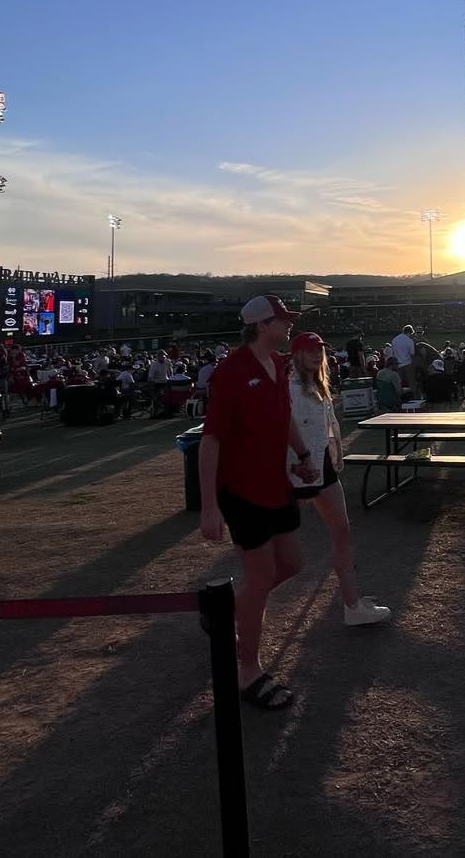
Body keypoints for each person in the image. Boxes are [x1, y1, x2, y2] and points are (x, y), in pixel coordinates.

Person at [199, 295, 316, 711]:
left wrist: (302, 457)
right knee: (262, 577)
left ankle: (229, 612)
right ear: (263, 326)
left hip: (277, 484)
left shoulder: (279, 367)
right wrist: (209, 506)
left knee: (292, 565)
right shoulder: (231, 372)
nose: (288, 328)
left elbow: (283, 419)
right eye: (283, 322)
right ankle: (248, 670)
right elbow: (210, 440)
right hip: (242, 492)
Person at [288, 332, 390, 625]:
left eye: (318, 350)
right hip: (298, 468)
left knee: (342, 532)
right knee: (281, 556)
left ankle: (352, 604)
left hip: (322, 465)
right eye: (308, 351)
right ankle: (243, 610)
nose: (315, 355)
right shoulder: (290, 388)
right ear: (296, 354)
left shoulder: (318, 384)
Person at [391, 324, 416, 393]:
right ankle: (414, 398)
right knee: (412, 384)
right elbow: (412, 354)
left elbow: (392, 353)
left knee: (398, 384)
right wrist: (414, 365)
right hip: (408, 364)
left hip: (397, 364)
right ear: (410, 332)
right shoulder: (409, 340)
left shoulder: (394, 339)